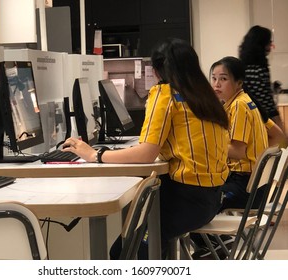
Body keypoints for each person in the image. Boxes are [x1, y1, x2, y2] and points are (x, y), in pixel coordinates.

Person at [62, 38, 230, 259]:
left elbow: (146, 153)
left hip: (187, 201)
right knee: (140, 235)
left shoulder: (165, 93)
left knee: (123, 253)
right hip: (211, 199)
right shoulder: (207, 97)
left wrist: (95, 154)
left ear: (159, 72)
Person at [191, 56, 286, 260]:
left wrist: (204, 147)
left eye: (223, 79)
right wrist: (258, 154)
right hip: (256, 187)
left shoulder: (238, 107)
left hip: (243, 187)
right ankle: (218, 246)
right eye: (214, 78)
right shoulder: (250, 103)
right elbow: (278, 136)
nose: (216, 84)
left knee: (193, 204)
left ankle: (216, 249)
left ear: (239, 83)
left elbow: (237, 151)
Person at [239, 25, 285, 132]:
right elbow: (265, 100)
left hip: (246, 117)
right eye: (268, 42)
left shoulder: (241, 66)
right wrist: (278, 123)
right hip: (262, 119)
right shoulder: (260, 68)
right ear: (261, 44)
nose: (270, 46)